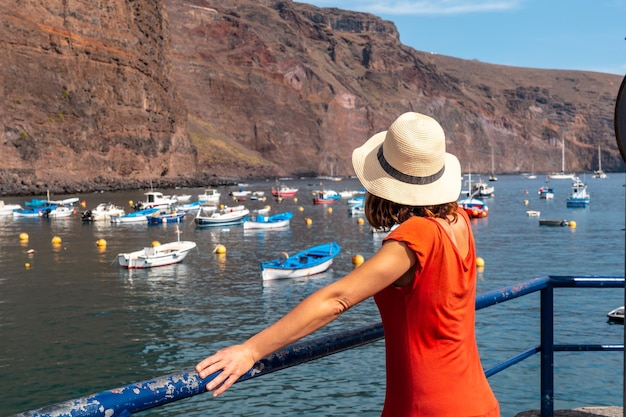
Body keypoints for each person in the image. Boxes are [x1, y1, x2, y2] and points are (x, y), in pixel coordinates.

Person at [196, 112, 500, 417]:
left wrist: (250, 351)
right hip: (478, 399)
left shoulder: (415, 237)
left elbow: (337, 299)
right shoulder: (458, 219)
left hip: (426, 407)